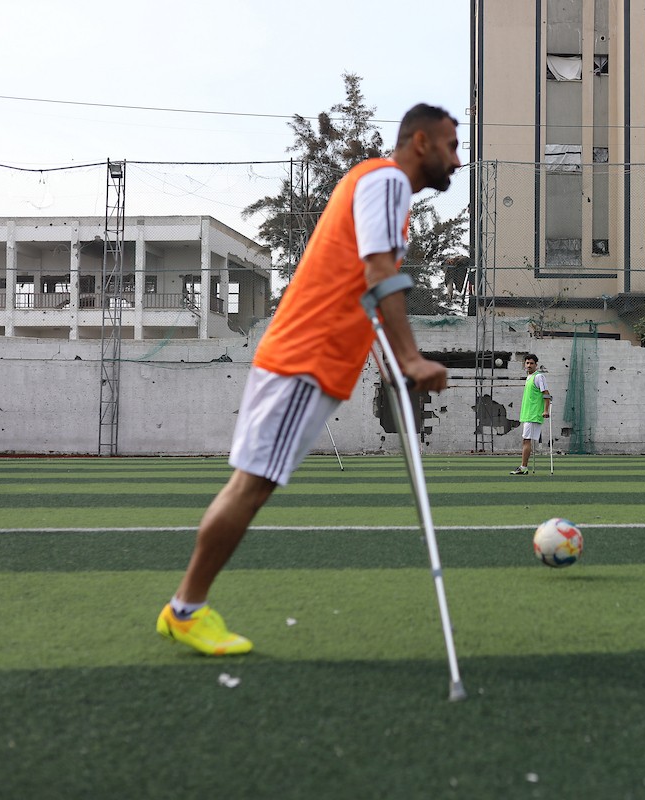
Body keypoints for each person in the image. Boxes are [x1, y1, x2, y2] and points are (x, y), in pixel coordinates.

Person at [156, 104, 459, 656]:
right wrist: (411, 358)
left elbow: (361, 282)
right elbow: (380, 273)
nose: (457, 161)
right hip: (307, 359)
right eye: (451, 146)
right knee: (252, 486)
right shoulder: (388, 181)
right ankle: (185, 610)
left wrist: (387, 354)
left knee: (253, 484)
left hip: (308, 357)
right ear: (421, 142)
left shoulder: (375, 185)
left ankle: (184, 608)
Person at [510, 354, 551, 475]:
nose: (529, 365)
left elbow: (546, 394)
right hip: (528, 414)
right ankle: (523, 467)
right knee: (526, 440)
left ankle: (523, 467)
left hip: (534, 414)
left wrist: (546, 410)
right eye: (527, 363)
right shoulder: (529, 377)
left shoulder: (539, 377)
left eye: (531, 363)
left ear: (536, 365)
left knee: (526, 440)